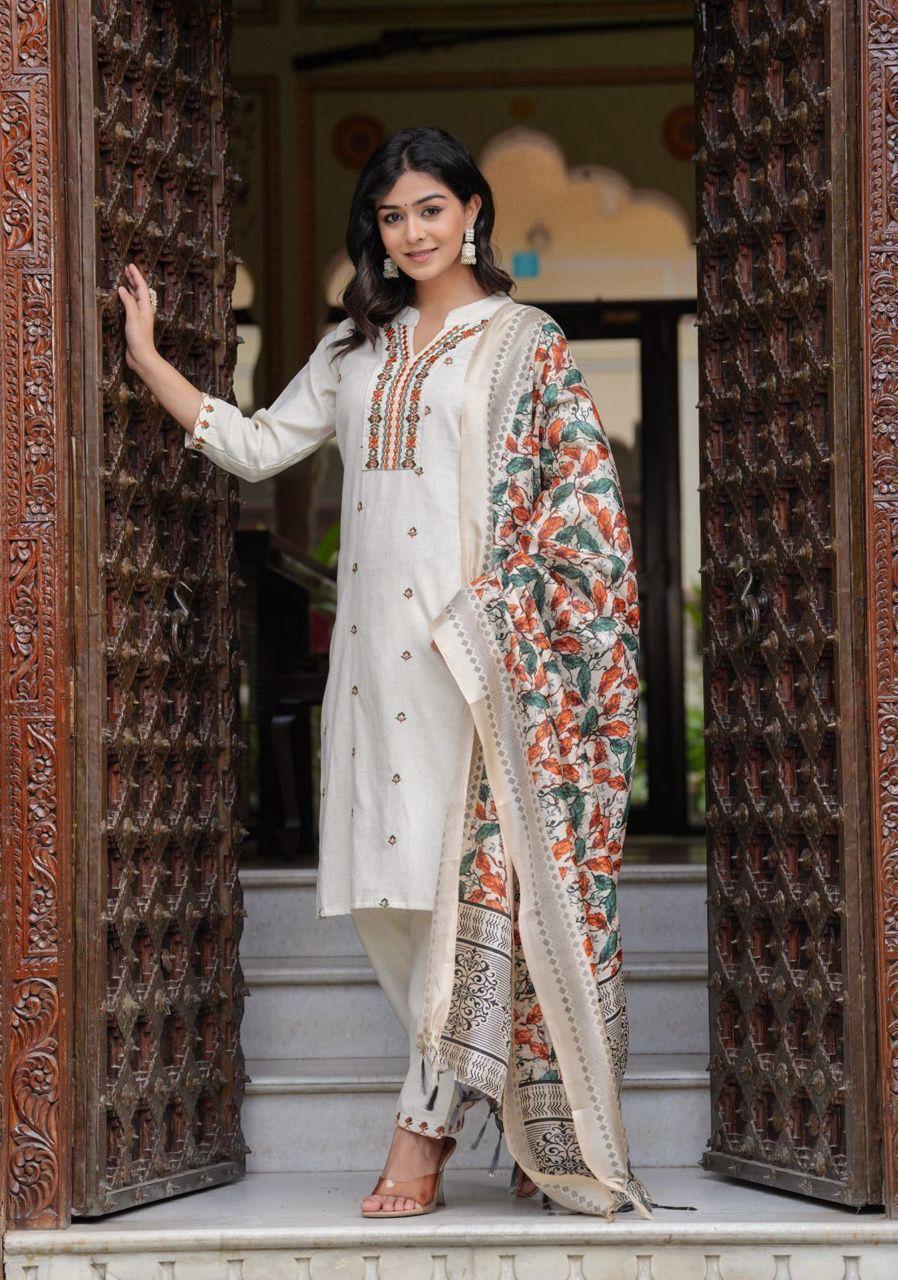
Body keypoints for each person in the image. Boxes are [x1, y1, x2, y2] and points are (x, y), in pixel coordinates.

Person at [119, 125, 650, 1220]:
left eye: (429, 209)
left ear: (470, 213)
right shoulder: (351, 351)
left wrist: (507, 612)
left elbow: (581, 504)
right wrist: (149, 361)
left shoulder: (523, 343)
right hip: (369, 666)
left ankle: (422, 1129)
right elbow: (259, 444)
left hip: (477, 663)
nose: (409, 232)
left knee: (464, 897)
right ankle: (496, 1089)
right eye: (390, 215)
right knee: (389, 900)